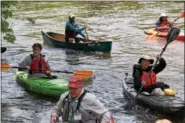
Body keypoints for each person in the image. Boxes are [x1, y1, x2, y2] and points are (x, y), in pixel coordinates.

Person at [50, 75, 115, 123]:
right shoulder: (64, 96)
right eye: (70, 88)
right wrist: (54, 116)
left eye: (75, 88)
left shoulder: (90, 99)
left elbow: (106, 113)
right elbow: (56, 110)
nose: (72, 91)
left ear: (81, 87)